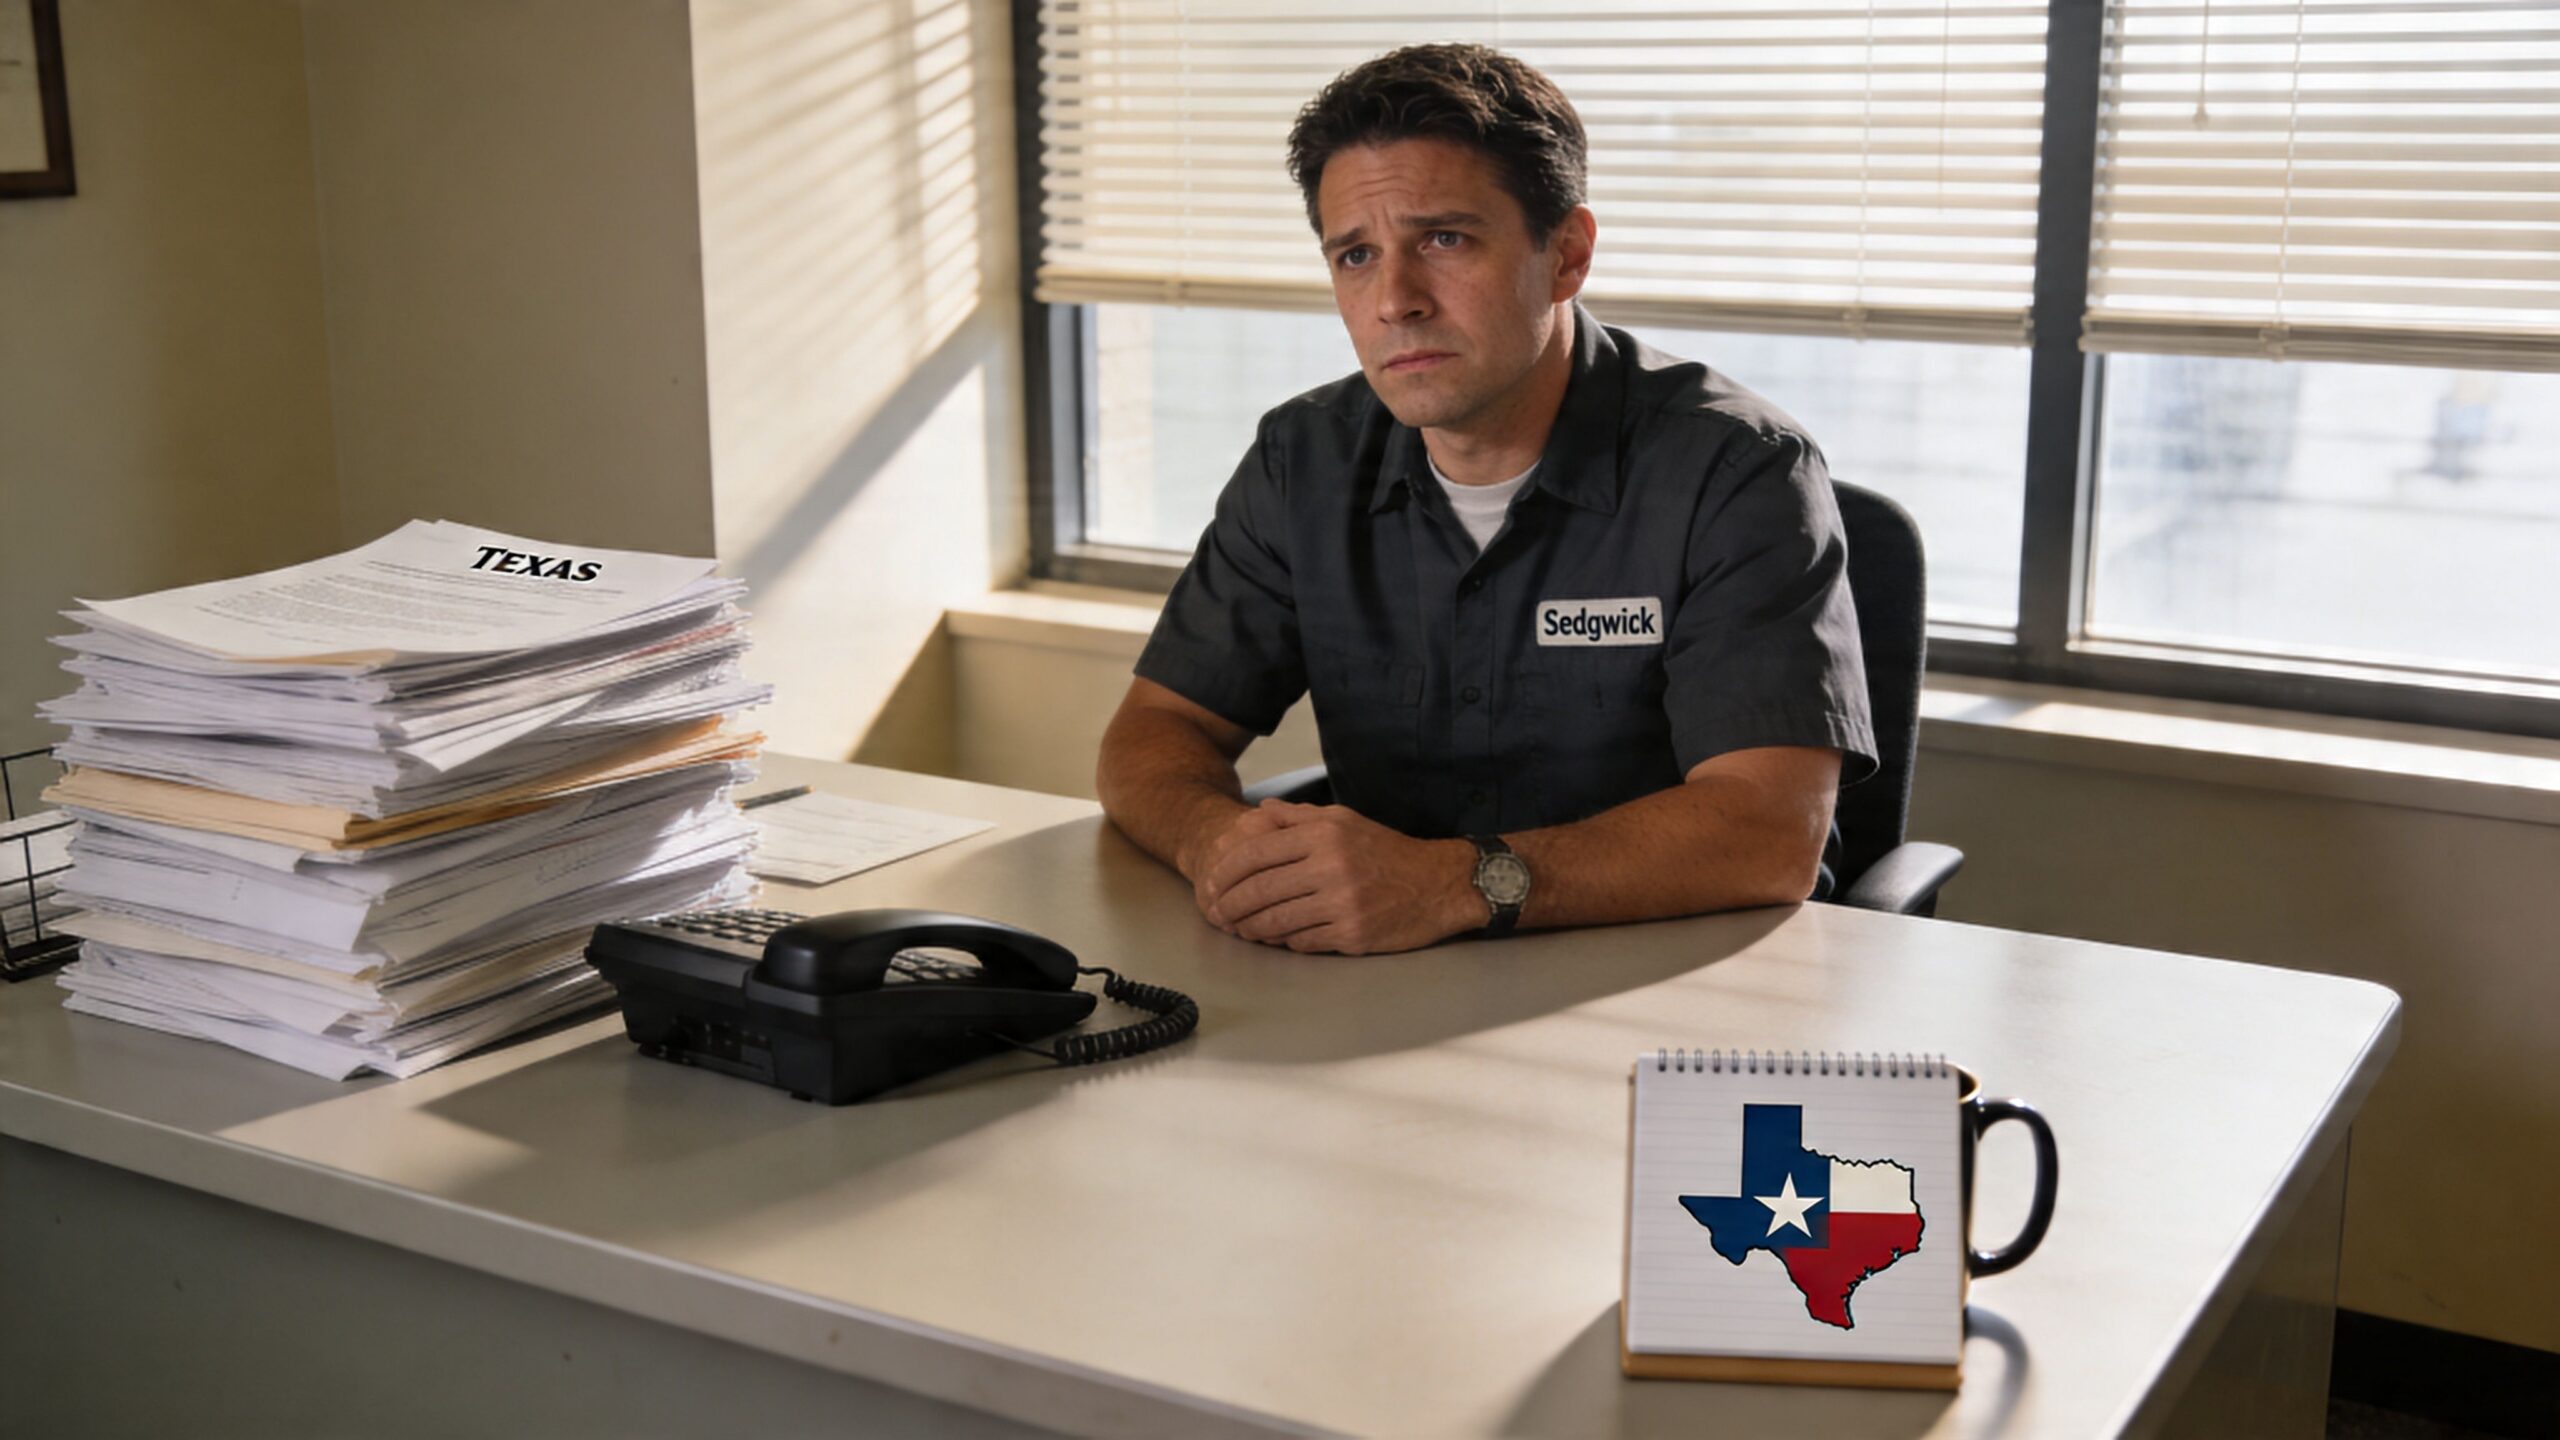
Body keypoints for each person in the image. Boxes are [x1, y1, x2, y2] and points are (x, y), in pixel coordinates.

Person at [1095, 43, 1877, 956]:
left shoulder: (1736, 470)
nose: (1395, 300)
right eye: (1356, 255)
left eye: (1444, 239)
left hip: (1673, 976)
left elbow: (1768, 832)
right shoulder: (1300, 459)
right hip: (1385, 975)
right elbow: (1158, 730)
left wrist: (1451, 883)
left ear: (1567, 255)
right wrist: (1219, 845)